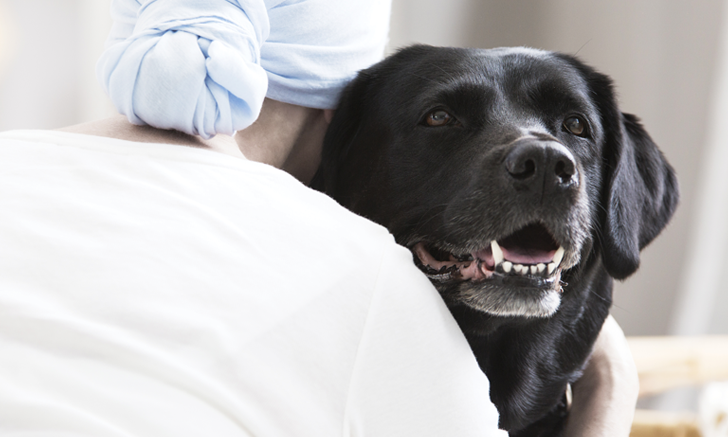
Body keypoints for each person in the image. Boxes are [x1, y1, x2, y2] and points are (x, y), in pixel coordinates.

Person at [0, 0, 638, 435]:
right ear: (338, 114)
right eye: (440, 118)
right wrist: (612, 389)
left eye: (573, 128)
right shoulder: (349, 277)